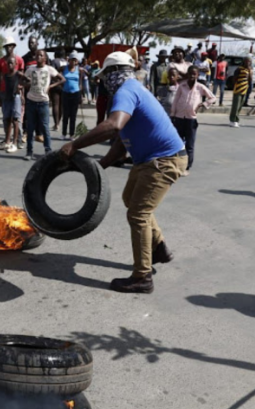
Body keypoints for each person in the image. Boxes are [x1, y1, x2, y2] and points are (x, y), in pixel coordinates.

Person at [60, 51, 188, 294]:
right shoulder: (132, 89)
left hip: (163, 160)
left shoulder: (126, 90)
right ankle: (158, 247)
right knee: (131, 199)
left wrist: (74, 144)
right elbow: (122, 135)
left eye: (105, 75)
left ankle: (143, 277)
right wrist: (103, 164)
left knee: (138, 214)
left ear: (114, 72)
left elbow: (113, 126)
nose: (103, 81)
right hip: (151, 159)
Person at [171, 65, 216, 175]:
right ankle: (176, 164)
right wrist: (173, 114)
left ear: (197, 75)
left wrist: (205, 103)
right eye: (190, 73)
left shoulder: (200, 87)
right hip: (179, 118)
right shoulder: (182, 86)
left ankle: (187, 166)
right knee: (178, 143)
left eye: (194, 74)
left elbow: (213, 97)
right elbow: (176, 100)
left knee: (189, 145)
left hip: (191, 119)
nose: (192, 76)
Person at [23, 50, 65, 161]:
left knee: (45, 128)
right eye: (37, 55)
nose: (38, 57)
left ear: (45, 58)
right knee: (30, 128)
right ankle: (29, 152)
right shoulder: (30, 69)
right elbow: (23, 81)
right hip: (31, 102)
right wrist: (26, 85)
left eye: (41, 55)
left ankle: (48, 151)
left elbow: (63, 79)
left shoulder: (49, 69)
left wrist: (51, 86)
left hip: (43, 103)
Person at [0, 37, 24, 143]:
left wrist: (22, 93)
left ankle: (19, 139)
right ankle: (7, 138)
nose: (8, 48)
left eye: (10, 46)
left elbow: (22, 78)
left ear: (14, 46)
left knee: (16, 118)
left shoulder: (19, 60)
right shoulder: (0, 62)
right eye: (6, 46)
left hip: (15, 92)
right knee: (6, 117)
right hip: (4, 92)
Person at [0, 56, 25, 152]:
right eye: (8, 63)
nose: (10, 65)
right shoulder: (5, 75)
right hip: (7, 99)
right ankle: (7, 141)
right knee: (7, 120)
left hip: (15, 98)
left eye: (12, 63)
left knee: (15, 120)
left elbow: (28, 80)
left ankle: (15, 143)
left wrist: (21, 89)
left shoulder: (18, 74)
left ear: (15, 64)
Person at [61, 52, 83, 140]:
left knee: (73, 115)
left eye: (75, 60)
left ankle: (71, 134)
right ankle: (63, 133)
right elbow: (57, 75)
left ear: (77, 61)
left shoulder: (79, 70)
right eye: (71, 60)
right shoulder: (63, 68)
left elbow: (80, 83)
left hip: (76, 93)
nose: (73, 62)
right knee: (65, 114)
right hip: (65, 93)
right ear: (68, 60)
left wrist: (81, 95)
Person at [229, 56, 251, 127]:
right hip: (238, 89)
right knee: (235, 106)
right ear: (244, 61)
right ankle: (233, 120)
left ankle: (237, 120)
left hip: (244, 89)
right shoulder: (239, 69)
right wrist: (236, 85)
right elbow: (234, 79)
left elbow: (249, 80)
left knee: (240, 106)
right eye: (247, 61)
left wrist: (250, 71)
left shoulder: (248, 70)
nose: (248, 63)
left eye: (249, 61)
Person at [50, 48, 67, 131]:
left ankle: (56, 124)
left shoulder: (54, 61)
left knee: (55, 104)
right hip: (64, 85)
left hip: (55, 84)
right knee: (61, 105)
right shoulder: (66, 62)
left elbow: (52, 72)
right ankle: (59, 122)